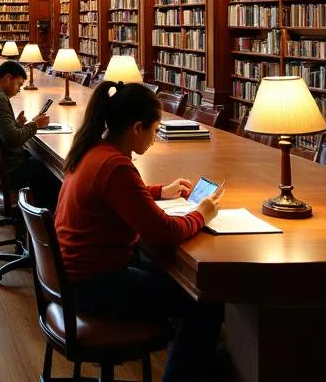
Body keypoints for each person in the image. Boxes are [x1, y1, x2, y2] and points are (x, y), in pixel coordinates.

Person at [54, 82, 224, 382]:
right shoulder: (116, 165)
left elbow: (116, 194)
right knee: (204, 305)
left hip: (74, 275)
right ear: (136, 128)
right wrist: (201, 214)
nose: (155, 139)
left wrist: (159, 191)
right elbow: (164, 232)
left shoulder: (93, 149)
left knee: (170, 280)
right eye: (154, 130)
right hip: (92, 283)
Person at [0, 59, 59, 209]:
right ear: (8, 78)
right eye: (19, 84)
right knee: (51, 172)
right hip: (8, 171)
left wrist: (16, 124)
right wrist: (35, 124)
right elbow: (11, 139)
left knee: (36, 161)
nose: (19, 90)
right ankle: (42, 223)